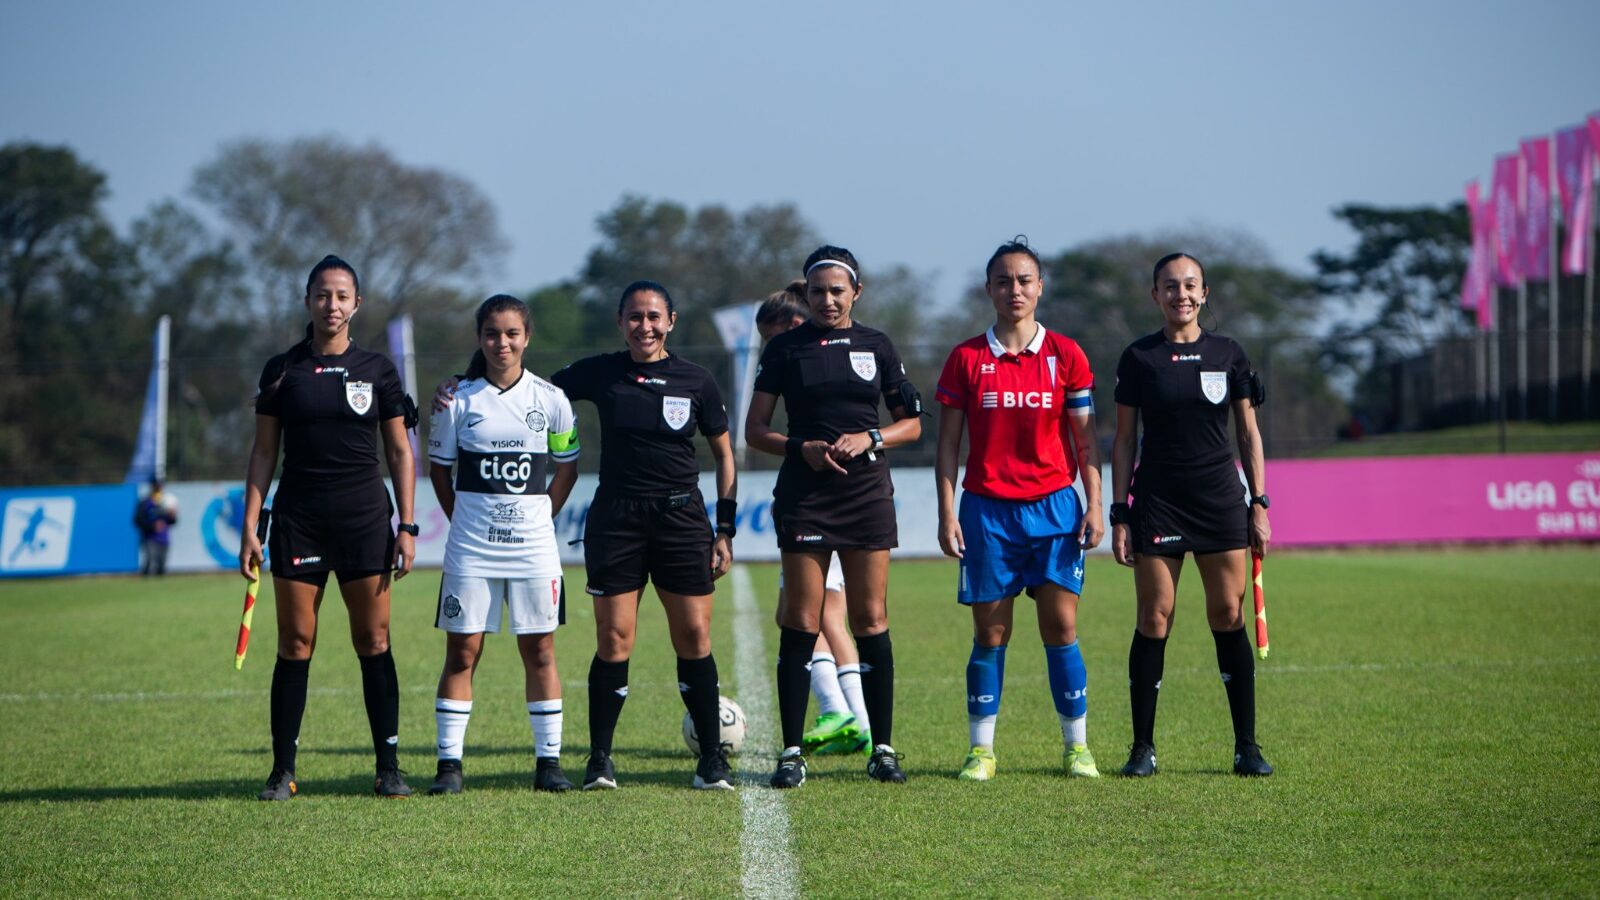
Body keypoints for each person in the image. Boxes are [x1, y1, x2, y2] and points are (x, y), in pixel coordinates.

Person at [437, 280, 738, 791]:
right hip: (617, 519)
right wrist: (459, 382)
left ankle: (712, 759)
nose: (645, 326)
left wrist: (724, 527)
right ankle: (600, 759)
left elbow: (726, 456)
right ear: (621, 322)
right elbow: (520, 387)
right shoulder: (599, 372)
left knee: (694, 638)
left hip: (681, 520)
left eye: (654, 317)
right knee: (614, 639)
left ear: (672, 321)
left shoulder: (697, 380)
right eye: (635, 317)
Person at [239, 255, 419, 801]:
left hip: (365, 519)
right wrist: (252, 524)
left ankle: (388, 768)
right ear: (307, 301)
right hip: (300, 520)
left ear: (357, 304)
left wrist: (406, 524)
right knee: (295, 643)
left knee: (374, 639)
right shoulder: (282, 369)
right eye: (322, 295)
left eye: (342, 296)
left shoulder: (378, 370)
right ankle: (282, 771)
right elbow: (264, 450)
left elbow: (399, 451)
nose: (332, 305)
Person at [747, 245, 922, 788]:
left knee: (870, 620)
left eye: (837, 291)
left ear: (856, 293)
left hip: (866, 494)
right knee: (801, 621)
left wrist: (870, 437)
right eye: (818, 291)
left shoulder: (877, 345)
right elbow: (756, 430)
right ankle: (792, 752)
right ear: (807, 293)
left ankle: (884, 749)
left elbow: (911, 424)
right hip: (805, 494)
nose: (827, 299)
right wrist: (801, 447)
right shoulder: (784, 349)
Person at [934, 237, 1105, 782]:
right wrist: (946, 511)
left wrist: (1095, 504)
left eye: (1025, 280)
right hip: (987, 512)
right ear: (989, 289)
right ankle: (981, 750)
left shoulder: (1067, 355)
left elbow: (1087, 443)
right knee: (991, 634)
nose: (1015, 289)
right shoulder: (966, 358)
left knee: (1061, 627)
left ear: (1040, 287)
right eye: (1004, 281)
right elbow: (947, 448)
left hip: (1056, 509)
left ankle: (1076, 747)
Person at [1109, 252, 1273, 777]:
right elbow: (1123, 441)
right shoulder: (1139, 358)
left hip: (1220, 500)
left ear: (1205, 294)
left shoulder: (1230, 354)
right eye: (1170, 286)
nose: (1181, 294)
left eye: (1190, 286)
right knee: (1155, 617)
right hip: (1158, 501)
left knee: (1227, 614)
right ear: (1154, 295)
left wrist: (1259, 503)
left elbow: (1247, 433)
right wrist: (1120, 512)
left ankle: (1247, 747)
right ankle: (1142, 749)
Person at [425, 295, 581, 795]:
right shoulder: (457, 400)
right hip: (471, 549)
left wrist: (541, 515)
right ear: (480, 338)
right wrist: (462, 520)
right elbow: (438, 469)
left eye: (512, 333)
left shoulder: (552, 399)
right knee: (463, 652)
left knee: (540, 651)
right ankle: (449, 766)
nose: (502, 343)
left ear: (527, 337)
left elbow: (567, 467)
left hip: (534, 548)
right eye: (492, 333)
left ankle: (548, 763)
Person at [757, 282, 872, 756]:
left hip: (829, 505)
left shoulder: (827, 353)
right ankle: (853, 719)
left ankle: (841, 711)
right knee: (813, 615)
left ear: (791, 326)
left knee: (817, 616)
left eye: (771, 338)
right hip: (819, 502)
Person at [134, 478, 177, 576]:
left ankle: (162, 590)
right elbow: (137, 521)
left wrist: (172, 516)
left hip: (164, 538)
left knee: (162, 566)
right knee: (149, 563)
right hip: (150, 538)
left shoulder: (166, 502)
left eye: (160, 486)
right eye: (157, 486)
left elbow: (172, 521)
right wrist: (152, 526)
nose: (159, 488)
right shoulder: (145, 503)